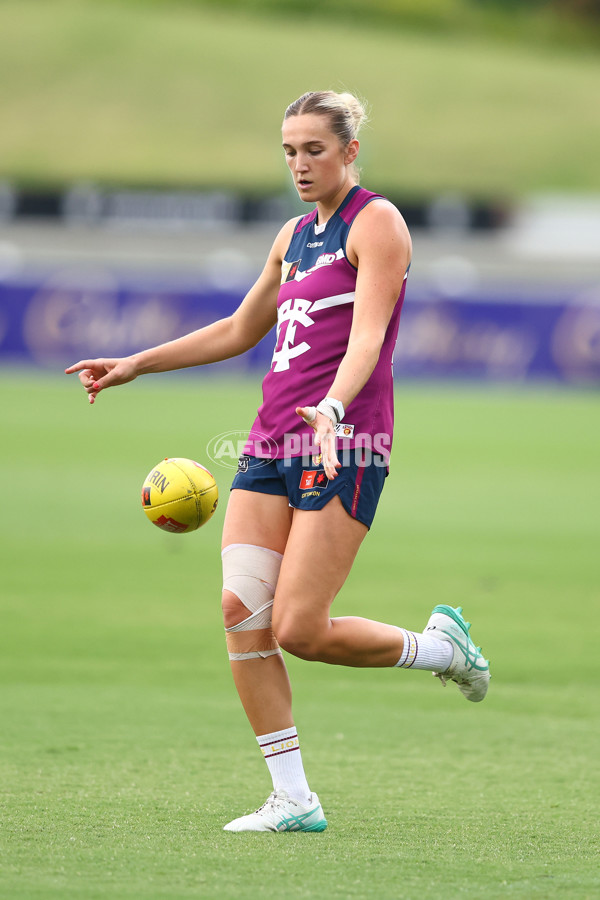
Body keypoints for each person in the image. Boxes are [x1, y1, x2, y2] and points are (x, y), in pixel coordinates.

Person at [66, 90, 490, 833]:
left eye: (314, 149)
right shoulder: (293, 235)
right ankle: (293, 798)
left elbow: (369, 337)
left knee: (300, 628)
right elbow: (238, 328)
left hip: (345, 440)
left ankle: (440, 648)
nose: (299, 163)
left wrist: (332, 407)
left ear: (349, 151)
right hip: (270, 442)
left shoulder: (377, 222)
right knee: (240, 612)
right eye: (290, 150)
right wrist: (137, 362)